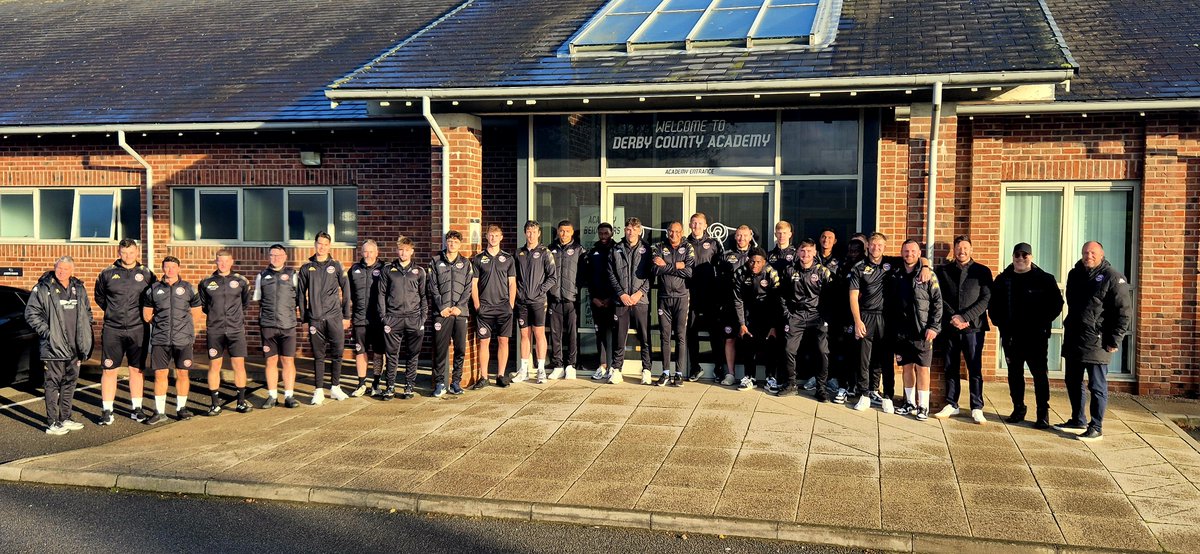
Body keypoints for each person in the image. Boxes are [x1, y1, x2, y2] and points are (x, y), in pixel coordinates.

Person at [1058, 241, 1132, 442]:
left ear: (1101, 254)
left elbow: (1124, 312)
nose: (1087, 255)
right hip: (1074, 337)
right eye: (1085, 252)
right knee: (1072, 381)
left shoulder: (1113, 277)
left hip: (1098, 341)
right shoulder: (1075, 274)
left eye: (1092, 252)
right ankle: (1077, 419)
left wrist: (1115, 339)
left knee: (1097, 386)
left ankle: (1096, 426)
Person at [849, 233, 931, 412]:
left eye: (879, 245)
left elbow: (917, 257)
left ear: (884, 247)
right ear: (868, 246)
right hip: (866, 316)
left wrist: (925, 266)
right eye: (872, 245)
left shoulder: (892, 263)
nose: (876, 248)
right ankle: (864, 394)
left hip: (887, 318)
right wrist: (857, 321)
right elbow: (853, 296)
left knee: (886, 358)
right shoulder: (859, 267)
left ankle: (887, 396)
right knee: (864, 359)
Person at [989, 242, 1063, 429]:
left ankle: (1042, 412)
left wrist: (1041, 322)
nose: (1021, 259)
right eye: (1017, 255)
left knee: (1039, 375)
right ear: (1012, 257)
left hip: (1035, 337)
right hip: (1011, 337)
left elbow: (1057, 304)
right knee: (1015, 374)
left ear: (1031, 257)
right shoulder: (1003, 279)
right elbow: (993, 305)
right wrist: (1001, 324)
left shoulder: (1045, 279)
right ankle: (1018, 408)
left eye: (1025, 255)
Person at [26, 256, 92, 435]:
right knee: (52, 384)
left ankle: (65, 418)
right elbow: (31, 314)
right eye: (59, 268)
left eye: (65, 269)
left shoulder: (78, 287)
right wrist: (49, 334)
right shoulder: (43, 287)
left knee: (69, 383)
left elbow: (87, 312)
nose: (61, 271)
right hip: (53, 347)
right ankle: (53, 422)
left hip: (75, 347)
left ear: (72, 270)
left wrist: (85, 336)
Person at [94, 238, 155, 424]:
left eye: (131, 252)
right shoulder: (107, 273)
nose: (128, 256)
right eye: (124, 252)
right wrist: (114, 313)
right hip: (113, 329)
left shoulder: (147, 274)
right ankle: (107, 411)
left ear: (137, 252)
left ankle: (137, 408)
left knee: (136, 370)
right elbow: (100, 298)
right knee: (109, 369)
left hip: (138, 329)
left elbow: (152, 299)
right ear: (119, 253)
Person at [933, 235, 993, 424]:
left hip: (973, 328)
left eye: (966, 248)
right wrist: (954, 317)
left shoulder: (982, 271)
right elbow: (939, 296)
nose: (962, 251)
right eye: (959, 248)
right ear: (954, 250)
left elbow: (985, 299)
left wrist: (965, 317)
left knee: (974, 367)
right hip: (951, 327)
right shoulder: (944, 271)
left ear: (971, 250)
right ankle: (952, 403)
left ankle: (977, 406)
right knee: (950, 366)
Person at [141, 256, 202, 424]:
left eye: (173, 267)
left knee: (182, 373)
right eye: (167, 267)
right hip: (161, 339)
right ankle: (159, 412)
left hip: (183, 340)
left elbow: (196, 312)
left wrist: (184, 327)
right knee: (161, 374)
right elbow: (147, 315)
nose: (170, 270)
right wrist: (161, 324)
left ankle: (181, 408)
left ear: (179, 268)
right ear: (163, 269)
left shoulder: (189, 288)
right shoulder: (153, 289)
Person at [885, 240, 941, 420]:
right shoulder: (895, 273)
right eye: (906, 251)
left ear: (919, 254)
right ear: (902, 253)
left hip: (922, 330)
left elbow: (938, 303)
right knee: (906, 368)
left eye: (913, 251)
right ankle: (909, 403)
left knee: (923, 368)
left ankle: (923, 406)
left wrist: (934, 327)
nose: (909, 254)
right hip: (901, 331)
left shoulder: (928, 274)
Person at [297, 231, 352, 404]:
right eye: (319, 243)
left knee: (337, 353)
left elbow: (346, 291)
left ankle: (335, 387)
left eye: (325, 244)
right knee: (318, 355)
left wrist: (346, 316)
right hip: (315, 319)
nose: (322, 247)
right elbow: (300, 295)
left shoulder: (336, 266)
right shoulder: (307, 268)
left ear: (329, 246)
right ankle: (318, 390)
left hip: (335, 317)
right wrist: (305, 319)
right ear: (315, 244)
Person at [198, 249, 252, 415]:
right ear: (216, 261)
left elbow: (245, 304)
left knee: (238, 365)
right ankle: (215, 404)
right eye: (220, 261)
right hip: (215, 330)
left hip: (236, 330)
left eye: (226, 261)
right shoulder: (206, 282)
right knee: (214, 365)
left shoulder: (241, 281)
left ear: (231, 262)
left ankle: (241, 402)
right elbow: (205, 306)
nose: (223, 264)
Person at [778, 239, 832, 399]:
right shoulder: (789, 271)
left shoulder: (823, 272)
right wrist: (788, 315)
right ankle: (791, 384)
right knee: (789, 349)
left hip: (817, 316)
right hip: (797, 315)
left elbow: (830, 297)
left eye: (809, 251)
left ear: (814, 253)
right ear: (798, 252)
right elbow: (782, 296)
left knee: (822, 351)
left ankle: (821, 388)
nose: (805, 254)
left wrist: (825, 317)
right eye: (803, 251)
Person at [379, 236, 427, 399]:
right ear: (397, 250)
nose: (403, 252)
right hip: (393, 318)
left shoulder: (419, 271)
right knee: (392, 355)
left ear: (412, 251)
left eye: (407, 250)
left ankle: (408, 386)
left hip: (414, 319)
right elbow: (381, 294)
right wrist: (384, 317)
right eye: (401, 249)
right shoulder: (388, 270)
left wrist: (422, 319)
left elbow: (424, 296)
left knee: (413, 354)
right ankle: (390, 387)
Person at [254, 244, 302, 409]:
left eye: (279, 255)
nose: (276, 258)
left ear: (285, 256)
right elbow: (258, 300)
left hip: (288, 325)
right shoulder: (262, 275)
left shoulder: (292, 274)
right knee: (271, 361)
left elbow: (298, 298)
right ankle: (272, 396)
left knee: (288, 360)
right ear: (269, 257)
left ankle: (289, 396)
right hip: (268, 326)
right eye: (273, 255)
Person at [428, 230, 474, 397]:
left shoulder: (466, 263)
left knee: (460, 349)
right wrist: (442, 307)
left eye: (455, 241)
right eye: (450, 241)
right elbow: (432, 286)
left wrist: (459, 308)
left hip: (459, 313)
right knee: (440, 350)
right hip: (442, 313)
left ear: (459, 244)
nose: (452, 244)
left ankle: (456, 382)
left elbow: (468, 288)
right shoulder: (436, 261)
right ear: (446, 242)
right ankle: (440, 383)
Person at [608, 217, 653, 385]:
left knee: (644, 337)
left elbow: (651, 275)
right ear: (625, 230)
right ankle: (617, 370)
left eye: (634, 229)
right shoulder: (616, 249)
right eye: (628, 229)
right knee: (619, 337)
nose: (631, 232)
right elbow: (610, 274)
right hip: (621, 301)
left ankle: (647, 370)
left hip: (640, 301)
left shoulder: (647, 250)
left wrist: (639, 293)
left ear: (640, 231)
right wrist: (622, 294)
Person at [472, 225, 517, 388]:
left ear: (501, 237)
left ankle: (500, 375)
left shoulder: (508, 258)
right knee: (484, 342)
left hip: (503, 307)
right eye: (491, 235)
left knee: (503, 341)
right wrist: (477, 305)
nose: (493, 238)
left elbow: (512, 283)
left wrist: (510, 305)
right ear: (486, 237)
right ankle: (483, 377)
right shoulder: (478, 259)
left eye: (496, 235)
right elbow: (474, 284)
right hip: (484, 308)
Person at [651, 221, 695, 387]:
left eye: (677, 232)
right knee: (665, 336)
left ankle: (679, 374)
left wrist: (666, 265)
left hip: (682, 298)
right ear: (667, 232)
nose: (674, 234)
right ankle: (665, 372)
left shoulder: (688, 247)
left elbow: (689, 272)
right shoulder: (659, 247)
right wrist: (677, 266)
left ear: (682, 232)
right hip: (664, 298)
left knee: (681, 336)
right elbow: (655, 270)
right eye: (671, 231)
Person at [731, 248, 781, 391]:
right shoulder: (740, 273)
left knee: (770, 342)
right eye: (752, 261)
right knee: (748, 341)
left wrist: (773, 325)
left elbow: (776, 300)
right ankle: (749, 377)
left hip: (768, 311)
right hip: (748, 313)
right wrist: (742, 324)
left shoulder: (771, 273)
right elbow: (738, 300)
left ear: (764, 262)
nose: (754, 265)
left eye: (758, 262)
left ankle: (770, 377)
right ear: (748, 260)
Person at [823, 235, 864, 404]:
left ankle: (855, 386)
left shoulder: (864, 267)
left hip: (858, 316)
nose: (852, 253)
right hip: (840, 314)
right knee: (840, 351)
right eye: (850, 250)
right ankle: (842, 384)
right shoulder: (842, 266)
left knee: (856, 353)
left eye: (856, 250)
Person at [514, 220, 556, 383]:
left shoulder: (545, 252)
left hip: (538, 301)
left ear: (539, 233)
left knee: (539, 334)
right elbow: (513, 277)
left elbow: (552, 277)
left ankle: (540, 370)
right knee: (524, 334)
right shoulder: (519, 253)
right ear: (525, 233)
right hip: (522, 301)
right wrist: (518, 293)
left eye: (534, 232)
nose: (531, 235)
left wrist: (540, 290)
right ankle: (524, 370)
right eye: (528, 232)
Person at [685, 213, 723, 382]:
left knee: (714, 333)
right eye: (694, 223)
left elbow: (721, 269)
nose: (696, 226)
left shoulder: (714, 244)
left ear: (706, 225)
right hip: (690, 294)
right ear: (690, 225)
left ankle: (719, 367)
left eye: (700, 223)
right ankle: (695, 367)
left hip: (710, 296)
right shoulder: (684, 244)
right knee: (691, 332)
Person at [347, 240, 387, 396]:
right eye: (365, 251)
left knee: (378, 352)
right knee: (360, 351)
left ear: (377, 253)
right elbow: (348, 294)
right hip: (359, 318)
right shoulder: (354, 270)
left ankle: (376, 383)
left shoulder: (384, 269)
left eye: (371, 251)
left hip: (378, 319)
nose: (368, 254)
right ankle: (361, 384)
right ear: (361, 253)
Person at [718, 225, 754, 386]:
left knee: (748, 340)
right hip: (730, 305)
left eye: (744, 235)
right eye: (739, 235)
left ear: (750, 236)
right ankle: (730, 374)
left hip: (750, 306)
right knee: (730, 339)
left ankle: (749, 376)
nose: (741, 239)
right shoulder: (726, 256)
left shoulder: (756, 256)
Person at [547, 219, 584, 380]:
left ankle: (571, 365)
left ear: (572, 232)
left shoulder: (579, 249)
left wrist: (577, 290)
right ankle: (557, 365)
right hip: (554, 298)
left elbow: (583, 274)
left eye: (567, 231)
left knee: (572, 334)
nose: (564, 234)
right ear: (558, 232)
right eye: (561, 231)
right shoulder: (550, 250)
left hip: (572, 299)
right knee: (555, 334)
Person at [584, 223, 617, 381]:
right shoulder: (593, 251)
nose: (603, 237)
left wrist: (612, 298)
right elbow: (588, 277)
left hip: (614, 300)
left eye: (606, 233)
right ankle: (602, 365)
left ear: (611, 234)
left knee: (616, 334)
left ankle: (615, 367)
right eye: (601, 234)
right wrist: (594, 298)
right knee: (600, 334)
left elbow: (620, 276)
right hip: (597, 300)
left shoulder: (617, 249)